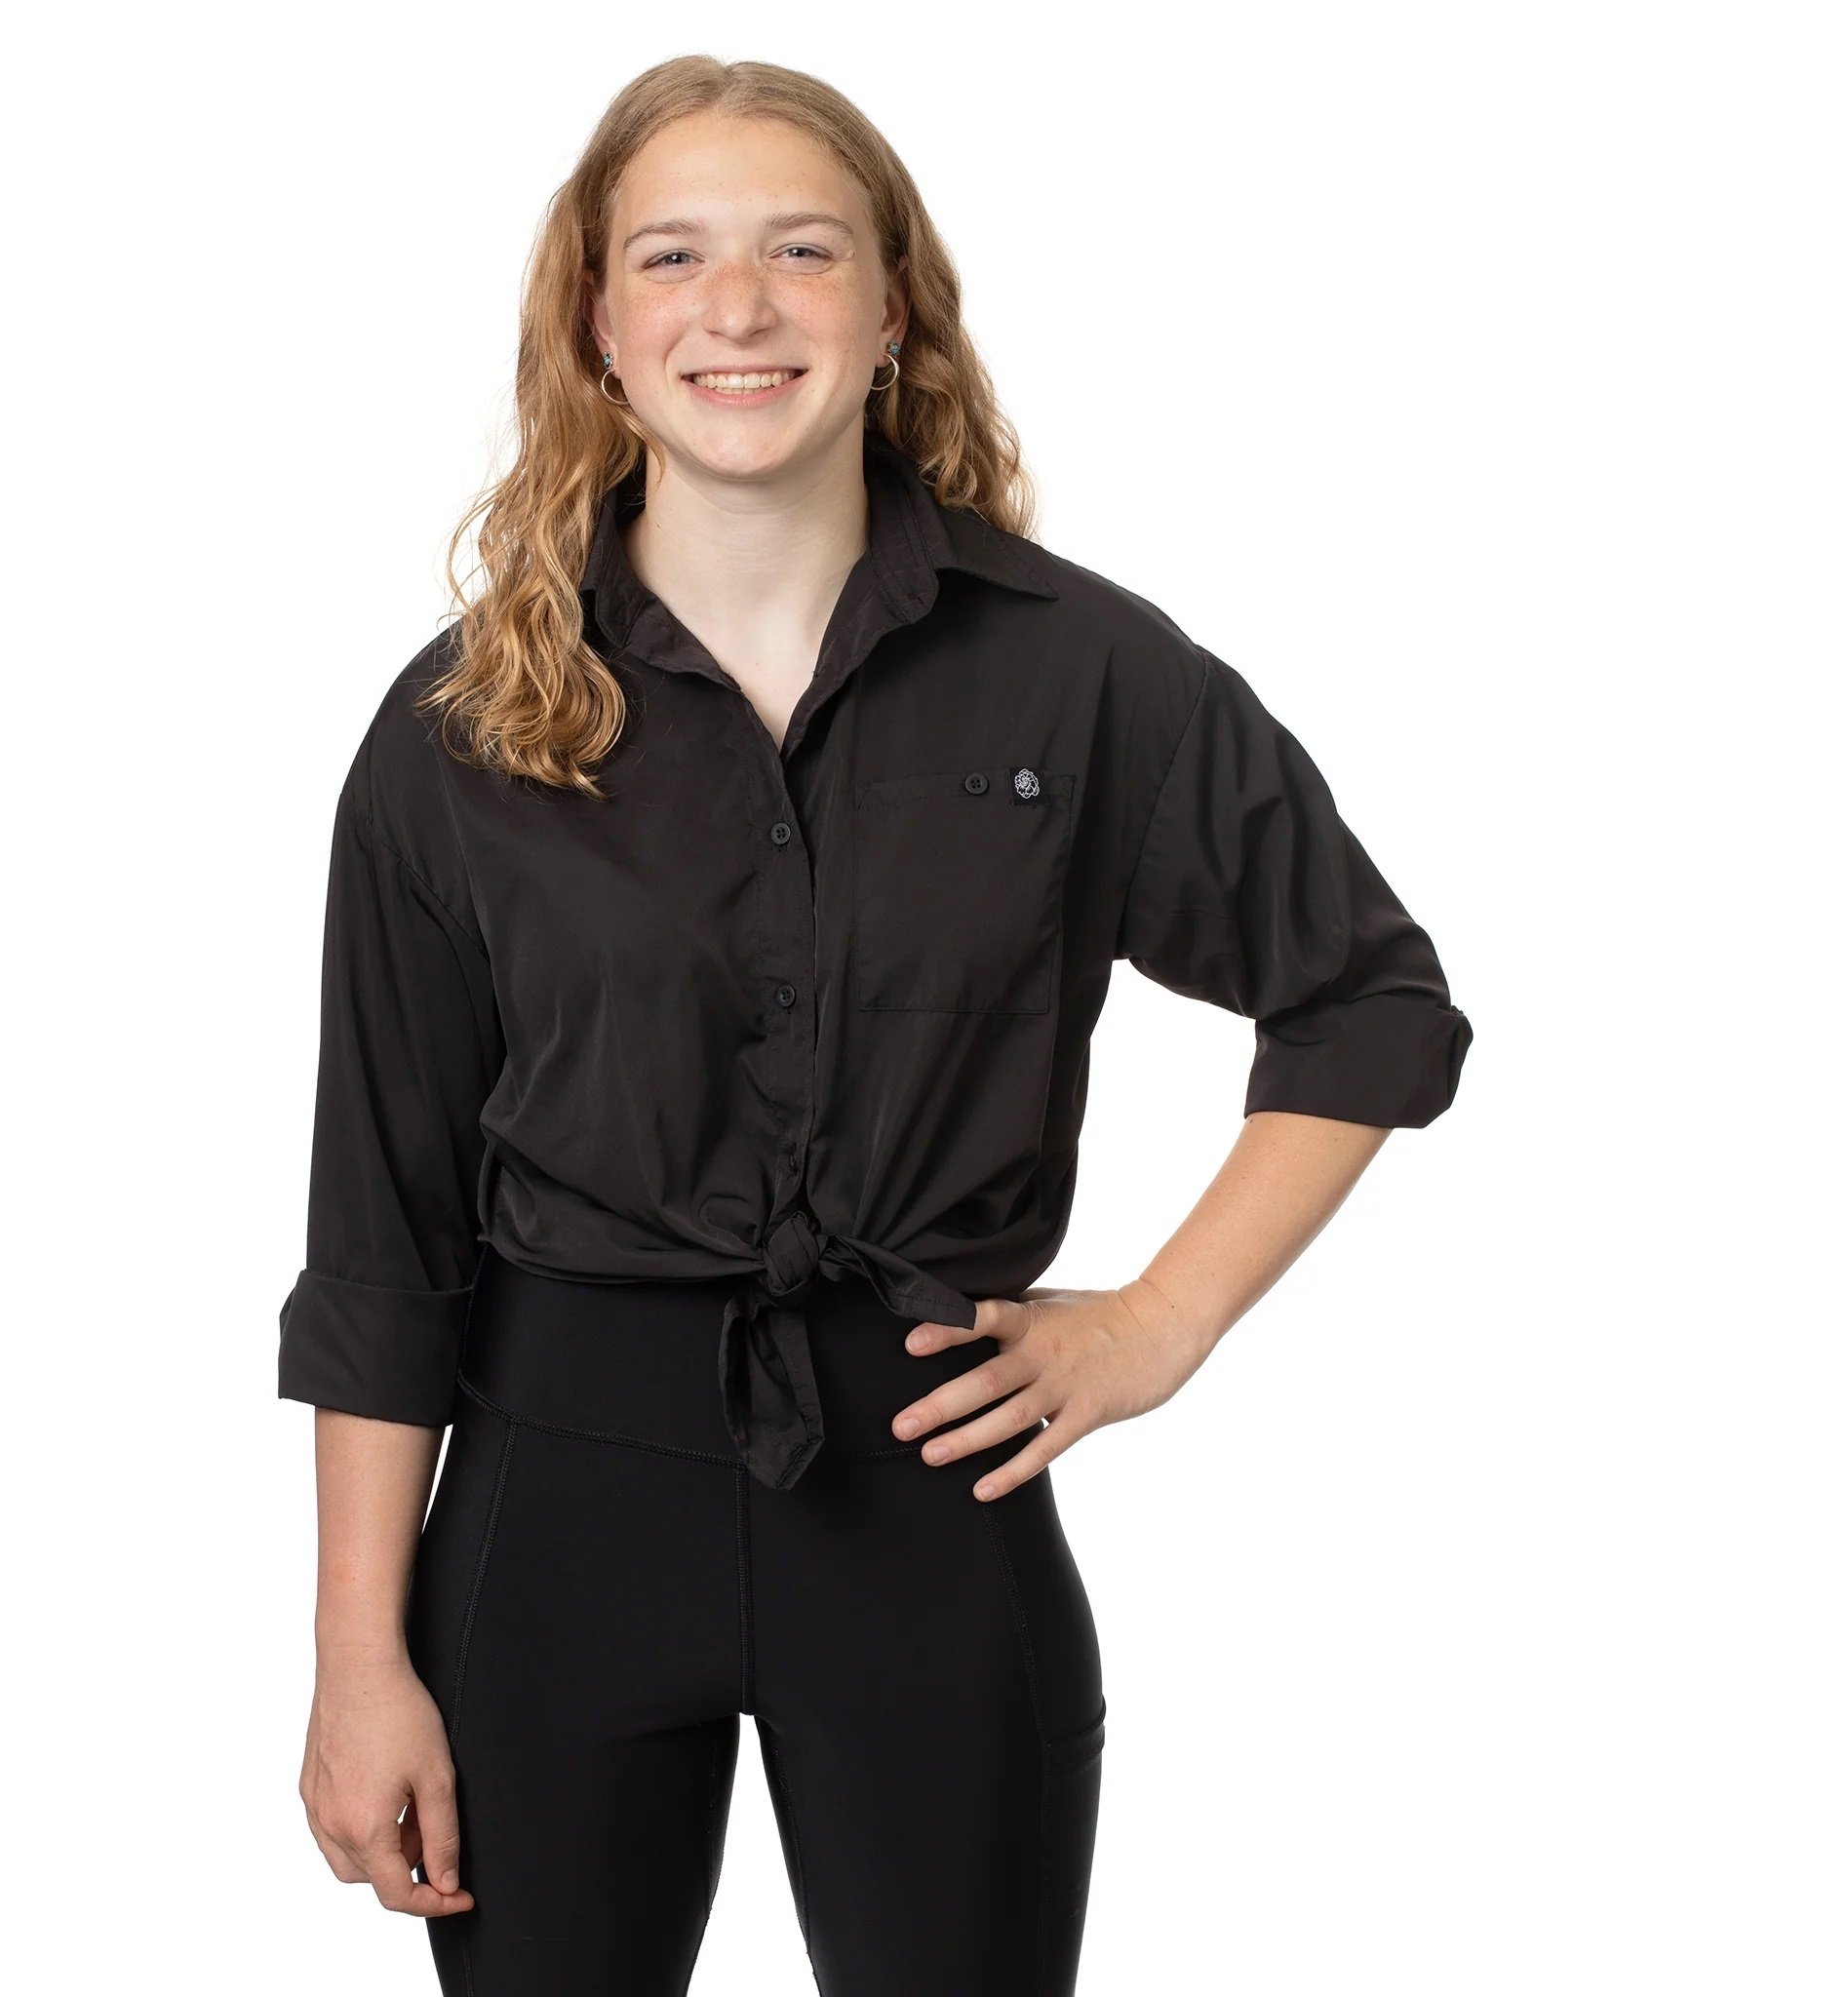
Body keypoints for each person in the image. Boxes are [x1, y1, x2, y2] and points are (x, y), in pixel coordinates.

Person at [277, 55, 1474, 1997]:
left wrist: (1158, 1322)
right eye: (674, 256)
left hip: (933, 1494)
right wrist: (357, 1658)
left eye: (804, 251)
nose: (738, 308)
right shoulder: (461, 729)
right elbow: (382, 1234)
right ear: (596, 323)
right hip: (555, 1508)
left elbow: (1368, 1002)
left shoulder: (1083, 676)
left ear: (894, 305)